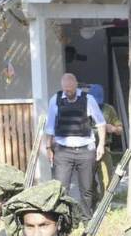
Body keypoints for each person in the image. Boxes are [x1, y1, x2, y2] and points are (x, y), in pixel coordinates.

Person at [44, 73, 106, 214]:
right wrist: (48, 147)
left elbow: (101, 123)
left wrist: (101, 145)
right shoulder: (56, 99)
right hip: (62, 151)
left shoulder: (88, 99)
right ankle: (65, 217)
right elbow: (50, 126)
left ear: (76, 85)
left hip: (85, 150)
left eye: (70, 89)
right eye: (65, 90)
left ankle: (86, 218)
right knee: (61, 187)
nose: (68, 92)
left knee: (86, 188)